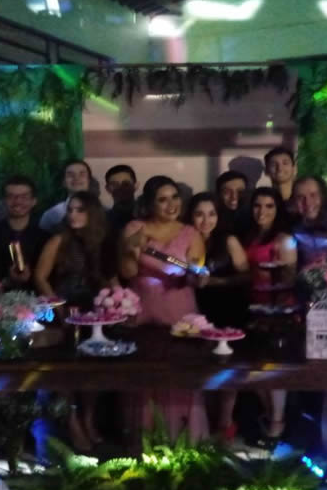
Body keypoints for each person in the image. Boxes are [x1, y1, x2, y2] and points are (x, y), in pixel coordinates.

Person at [120, 176, 208, 441]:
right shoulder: (135, 227)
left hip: (179, 309)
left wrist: (198, 275)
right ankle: (145, 440)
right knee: (145, 375)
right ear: (150, 203)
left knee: (181, 373)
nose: (171, 205)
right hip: (143, 308)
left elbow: (196, 271)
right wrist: (131, 247)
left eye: (175, 197)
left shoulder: (190, 232)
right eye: (162, 199)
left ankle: (183, 440)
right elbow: (127, 271)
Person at [35, 192, 115, 451]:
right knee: (65, 372)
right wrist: (58, 309)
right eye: (70, 209)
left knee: (94, 371)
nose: (73, 215)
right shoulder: (58, 239)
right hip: (64, 310)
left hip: (95, 311)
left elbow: (110, 278)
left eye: (80, 210)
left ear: (93, 212)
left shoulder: (102, 241)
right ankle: (73, 424)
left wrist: (120, 300)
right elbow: (40, 277)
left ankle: (88, 420)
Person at [185, 192, 249, 441]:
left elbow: (245, 275)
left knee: (227, 367)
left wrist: (215, 281)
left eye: (211, 214)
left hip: (227, 308)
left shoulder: (228, 240)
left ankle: (225, 422)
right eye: (199, 214)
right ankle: (201, 424)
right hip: (194, 309)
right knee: (200, 367)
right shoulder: (185, 238)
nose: (206, 220)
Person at [242, 187, 297, 445]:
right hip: (254, 308)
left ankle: (277, 423)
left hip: (277, 312)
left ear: (277, 210)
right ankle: (271, 418)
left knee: (273, 370)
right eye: (257, 205)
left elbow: (289, 278)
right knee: (253, 370)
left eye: (269, 206)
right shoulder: (252, 236)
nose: (262, 211)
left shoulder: (283, 239)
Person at [0, 176, 48, 290]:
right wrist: (8, 281)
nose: (17, 201)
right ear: (3, 201)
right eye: (11, 196)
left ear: (34, 201)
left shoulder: (45, 239)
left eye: (24, 197)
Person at [291, 175, 327, 271]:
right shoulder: (293, 230)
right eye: (300, 197)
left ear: (322, 197)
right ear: (294, 202)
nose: (307, 202)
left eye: (313, 195)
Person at [39, 159, 94, 233]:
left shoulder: (104, 212)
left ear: (89, 180)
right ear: (63, 182)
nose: (76, 178)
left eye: (82, 174)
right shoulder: (51, 215)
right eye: (70, 175)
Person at [105, 164, 138, 237]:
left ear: (135, 186)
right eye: (114, 184)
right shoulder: (102, 220)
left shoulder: (149, 216)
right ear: (107, 188)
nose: (121, 188)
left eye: (126, 184)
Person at [214, 170, 249, 235]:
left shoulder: (255, 218)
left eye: (240, 192)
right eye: (227, 192)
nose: (234, 197)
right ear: (218, 194)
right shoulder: (211, 220)